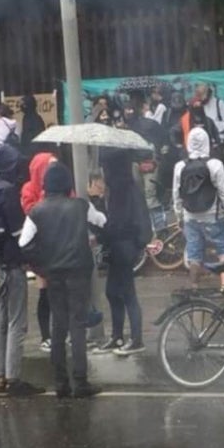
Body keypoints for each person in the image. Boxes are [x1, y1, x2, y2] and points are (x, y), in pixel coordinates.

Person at [19, 162, 106, 399]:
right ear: (68, 184)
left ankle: (61, 383)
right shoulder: (80, 206)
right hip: (79, 272)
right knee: (78, 325)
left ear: (46, 185)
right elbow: (102, 222)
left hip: (53, 275)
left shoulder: (37, 211)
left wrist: (40, 266)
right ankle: (81, 381)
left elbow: (23, 244)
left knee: (58, 327)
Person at [0, 143, 42, 397]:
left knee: (0, 319)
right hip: (11, 263)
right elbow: (18, 232)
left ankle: (1, 376)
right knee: (17, 321)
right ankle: (14, 378)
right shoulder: (6, 190)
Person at [95, 149, 149, 355]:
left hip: (124, 246)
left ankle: (136, 339)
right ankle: (118, 336)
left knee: (127, 293)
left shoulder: (124, 190)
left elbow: (120, 222)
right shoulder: (120, 188)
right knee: (112, 292)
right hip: (120, 246)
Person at [172, 127, 224, 292]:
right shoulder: (215, 165)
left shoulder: (180, 166)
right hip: (213, 216)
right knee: (222, 248)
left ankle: (194, 287)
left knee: (194, 253)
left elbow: (176, 194)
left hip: (190, 217)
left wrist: (179, 216)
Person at [21, 152, 57, 350]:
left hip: (60, 246)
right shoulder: (29, 189)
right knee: (45, 292)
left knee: (61, 292)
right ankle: (46, 335)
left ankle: (63, 332)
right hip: (41, 249)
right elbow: (30, 210)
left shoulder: (63, 185)